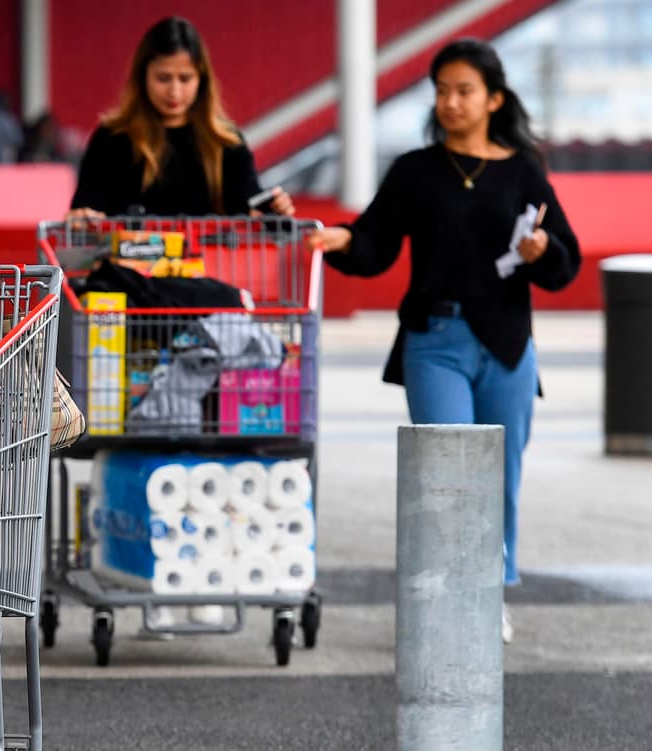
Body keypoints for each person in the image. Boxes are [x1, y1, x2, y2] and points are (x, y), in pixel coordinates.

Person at [305, 38, 581, 643]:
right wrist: (343, 242)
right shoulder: (415, 170)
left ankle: (488, 594)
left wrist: (542, 251)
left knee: (501, 476)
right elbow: (374, 243)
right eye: (442, 90)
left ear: (494, 98)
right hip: (435, 341)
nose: (450, 102)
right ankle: (442, 598)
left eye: (464, 90)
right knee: (446, 472)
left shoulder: (522, 170)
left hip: (507, 345)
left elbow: (566, 263)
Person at [68, 16, 293, 219]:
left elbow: (251, 203)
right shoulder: (111, 139)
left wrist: (274, 209)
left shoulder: (226, 142)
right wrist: (81, 218)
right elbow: (84, 211)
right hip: (124, 264)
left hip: (209, 265)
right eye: (163, 78)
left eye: (185, 79)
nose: (174, 92)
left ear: (201, 80)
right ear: (142, 77)